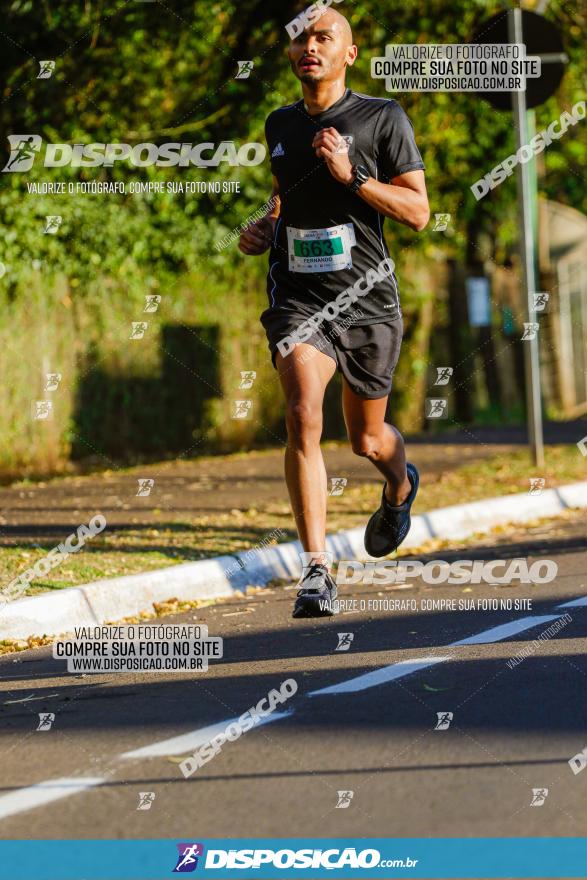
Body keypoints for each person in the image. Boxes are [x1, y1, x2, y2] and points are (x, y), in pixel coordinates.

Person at [238, 8, 429, 618]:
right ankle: (317, 569)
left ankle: (399, 487)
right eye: (300, 38)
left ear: (349, 53)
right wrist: (267, 225)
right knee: (300, 415)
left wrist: (354, 177)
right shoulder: (280, 123)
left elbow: (418, 211)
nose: (309, 47)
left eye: (324, 38)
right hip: (300, 299)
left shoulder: (382, 118)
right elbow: (285, 193)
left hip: (368, 301)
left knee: (367, 440)